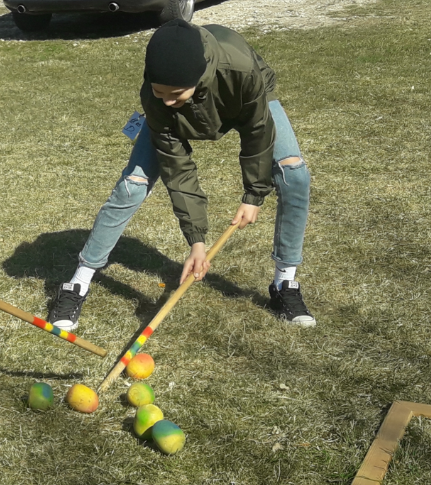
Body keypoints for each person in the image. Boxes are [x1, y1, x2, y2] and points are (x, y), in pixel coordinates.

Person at [48, 19, 315, 330]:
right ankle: (77, 283)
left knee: (294, 173)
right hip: (189, 107)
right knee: (132, 186)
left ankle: (285, 284)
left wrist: (254, 195)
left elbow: (257, 130)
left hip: (242, 98)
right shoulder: (157, 99)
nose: (167, 101)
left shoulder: (240, 70)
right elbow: (177, 167)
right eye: (160, 92)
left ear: (197, 78)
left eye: (175, 93)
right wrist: (196, 242)